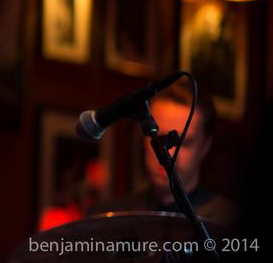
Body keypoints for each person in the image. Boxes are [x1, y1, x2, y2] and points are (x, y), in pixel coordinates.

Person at [86, 82, 237, 231]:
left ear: (205, 146)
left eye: (184, 143)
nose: (169, 153)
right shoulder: (107, 218)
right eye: (158, 138)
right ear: (144, 140)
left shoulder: (233, 222)